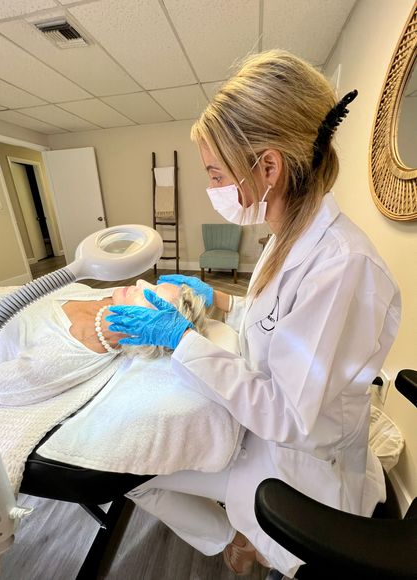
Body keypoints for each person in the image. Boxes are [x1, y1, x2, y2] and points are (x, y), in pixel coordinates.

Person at [106, 49, 401, 577]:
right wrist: (220, 299)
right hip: (269, 436)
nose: (213, 187)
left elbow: (288, 416)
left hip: (297, 469)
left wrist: (181, 339)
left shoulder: (341, 268)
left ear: (268, 166)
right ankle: (237, 539)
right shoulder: (288, 234)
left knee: (129, 471)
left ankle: (234, 544)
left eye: (216, 173)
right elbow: (277, 322)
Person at [0, 280, 206, 407]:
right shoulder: (103, 297)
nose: (140, 282)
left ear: (146, 331)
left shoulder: (64, 354)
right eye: (155, 284)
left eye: (151, 294)